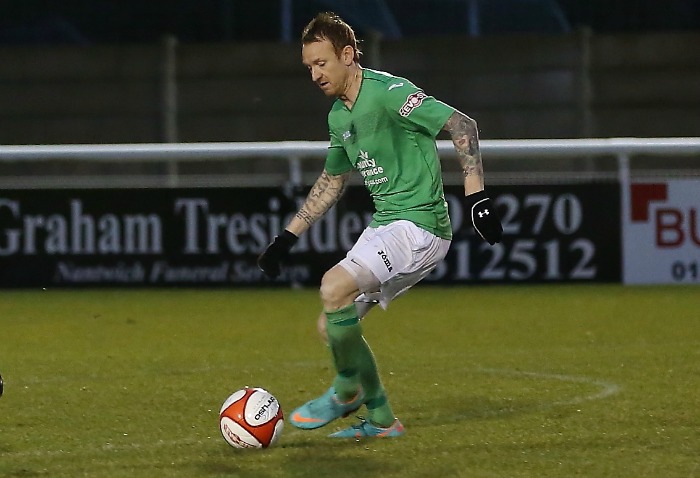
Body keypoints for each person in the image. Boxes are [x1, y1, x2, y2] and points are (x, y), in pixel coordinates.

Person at [257, 11, 502, 439]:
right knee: (331, 327)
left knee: (333, 287)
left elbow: (462, 125)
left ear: (348, 55)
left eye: (322, 63)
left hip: (419, 226)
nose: (315, 75)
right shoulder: (339, 117)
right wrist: (286, 237)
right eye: (308, 67)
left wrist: (476, 196)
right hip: (388, 225)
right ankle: (383, 420)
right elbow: (332, 182)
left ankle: (347, 391)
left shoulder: (389, 93)